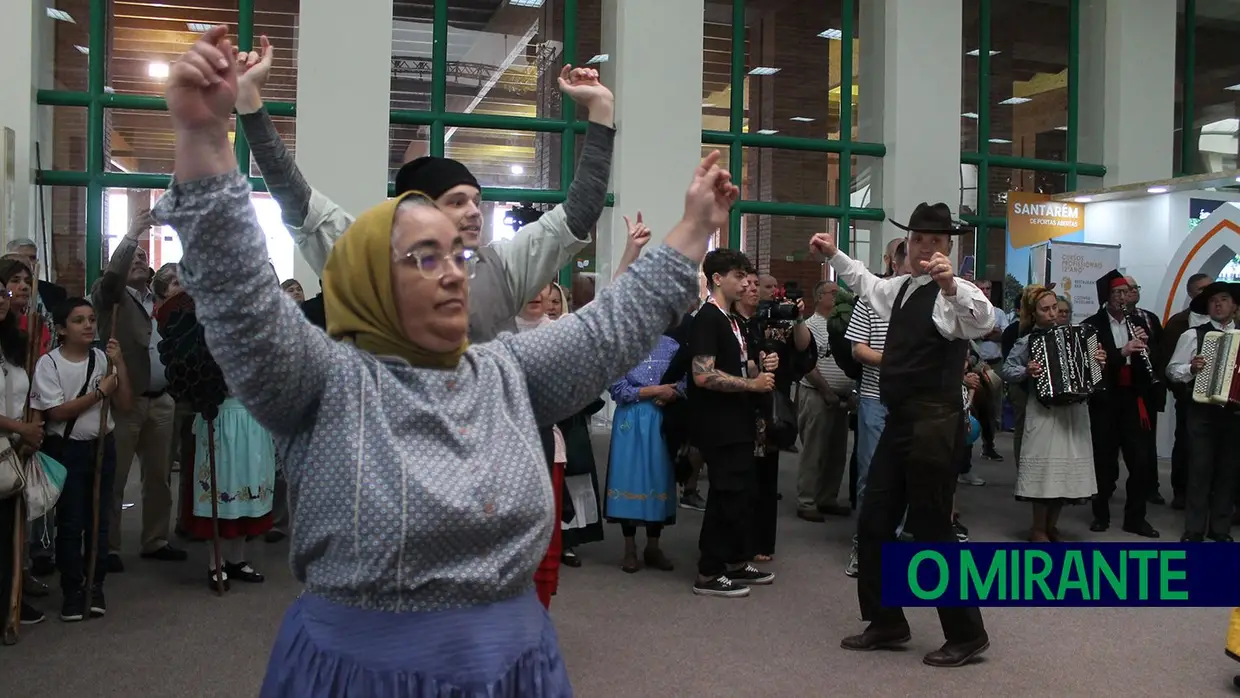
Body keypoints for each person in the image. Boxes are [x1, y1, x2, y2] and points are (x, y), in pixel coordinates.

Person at [156, 25, 736, 695]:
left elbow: (610, 327)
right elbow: (240, 297)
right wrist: (203, 138)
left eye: (458, 256)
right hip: (360, 676)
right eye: (424, 257)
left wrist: (694, 228)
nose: (456, 273)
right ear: (368, 277)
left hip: (516, 668)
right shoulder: (321, 383)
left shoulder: (507, 373)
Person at [233, 35, 614, 344]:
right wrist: (250, 104)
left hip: (483, 436)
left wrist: (600, 112)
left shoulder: (500, 268)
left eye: (477, 201)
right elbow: (295, 198)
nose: (474, 211)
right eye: (457, 201)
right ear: (416, 211)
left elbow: (578, 214)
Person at [813, 201, 994, 668]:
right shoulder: (902, 287)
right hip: (899, 418)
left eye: (934, 242)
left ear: (948, 247)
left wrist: (952, 284)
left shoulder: (957, 294)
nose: (924, 250)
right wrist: (835, 254)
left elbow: (984, 322)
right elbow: (866, 283)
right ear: (907, 245)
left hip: (936, 422)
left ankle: (967, 633)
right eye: (917, 241)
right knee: (874, 519)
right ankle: (886, 620)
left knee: (932, 528)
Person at [93, 208, 187, 571]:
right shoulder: (109, 296)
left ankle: (155, 539)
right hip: (125, 400)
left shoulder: (158, 301)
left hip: (162, 401)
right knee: (116, 476)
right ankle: (109, 545)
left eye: (143, 256)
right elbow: (114, 278)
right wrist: (132, 235)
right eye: (132, 256)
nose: (138, 260)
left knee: (159, 477)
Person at [31, 298, 132, 622]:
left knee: (99, 521)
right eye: (78, 320)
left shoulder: (103, 358)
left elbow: (126, 403)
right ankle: (72, 589)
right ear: (61, 329)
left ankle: (95, 584)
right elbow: (57, 411)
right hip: (70, 450)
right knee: (72, 522)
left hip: (103, 445)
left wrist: (120, 365)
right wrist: (99, 393)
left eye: (91, 319)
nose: (89, 325)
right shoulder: (50, 364)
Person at [688, 249, 777, 599]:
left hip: (737, 419)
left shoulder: (732, 320)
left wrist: (759, 366)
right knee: (726, 494)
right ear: (717, 279)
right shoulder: (708, 318)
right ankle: (709, 571)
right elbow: (702, 375)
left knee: (742, 493)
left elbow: (739, 367)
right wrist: (751, 384)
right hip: (717, 423)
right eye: (739, 276)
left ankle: (735, 560)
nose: (745, 283)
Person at [1000, 286, 1104, 541]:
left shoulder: (1080, 334)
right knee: (1045, 473)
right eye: (1045, 309)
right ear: (1033, 314)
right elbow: (1006, 370)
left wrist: (1098, 362)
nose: (1052, 313)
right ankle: (1038, 529)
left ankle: (1051, 526)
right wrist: (1027, 370)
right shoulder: (1028, 341)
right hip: (1043, 411)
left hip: (1074, 412)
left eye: (1054, 308)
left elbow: (1092, 373)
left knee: (1066, 472)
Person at [841, 241, 907, 578]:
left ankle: (891, 542)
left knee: (906, 477)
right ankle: (864, 546)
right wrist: (896, 363)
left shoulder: (932, 302)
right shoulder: (870, 299)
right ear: (895, 264)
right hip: (875, 400)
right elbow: (858, 350)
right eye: (911, 262)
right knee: (871, 475)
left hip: (914, 404)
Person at [1081, 270, 1160, 538]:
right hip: (1106, 399)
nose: (1122, 298)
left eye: (1126, 292)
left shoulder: (1139, 322)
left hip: (1133, 399)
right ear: (1106, 296)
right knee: (1104, 463)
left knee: (1140, 462)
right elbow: (1092, 365)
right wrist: (1122, 352)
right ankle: (1100, 515)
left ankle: (1135, 519)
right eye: (1117, 293)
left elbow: (1156, 360)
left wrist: (1145, 348)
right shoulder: (1092, 324)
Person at [1165, 281, 1240, 542]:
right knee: (1199, 470)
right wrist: (1191, 369)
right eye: (1212, 300)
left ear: (1235, 306)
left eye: (1224, 299)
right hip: (1201, 411)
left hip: (1234, 414)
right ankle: (1194, 528)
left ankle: (1220, 528)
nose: (1218, 304)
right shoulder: (1193, 335)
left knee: (1228, 472)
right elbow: (1172, 370)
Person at [0, 260, 49, 629]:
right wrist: (21, 427)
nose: (6, 297)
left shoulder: (13, 340)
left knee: (10, 532)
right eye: (7, 285)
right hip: (8, 438)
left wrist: (28, 427)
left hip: (13, 446)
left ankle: (10, 598)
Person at [796, 281, 853, 524]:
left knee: (837, 452)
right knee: (814, 450)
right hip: (817, 394)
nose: (838, 295)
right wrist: (827, 391)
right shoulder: (810, 326)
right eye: (833, 292)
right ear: (819, 297)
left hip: (842, 398)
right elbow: (807, 365)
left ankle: (827, 497)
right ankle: (807, 500)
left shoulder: (842, 326)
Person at [1157, 272, 1212, 511]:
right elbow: (1168, 361)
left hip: (1220, 402)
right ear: (1191, 294)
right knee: (1185, 444)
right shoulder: (1180, 323)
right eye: (1202, 289)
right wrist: (1181, 387)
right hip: (1188, 395)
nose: (1208, 294)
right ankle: (1181, 492)